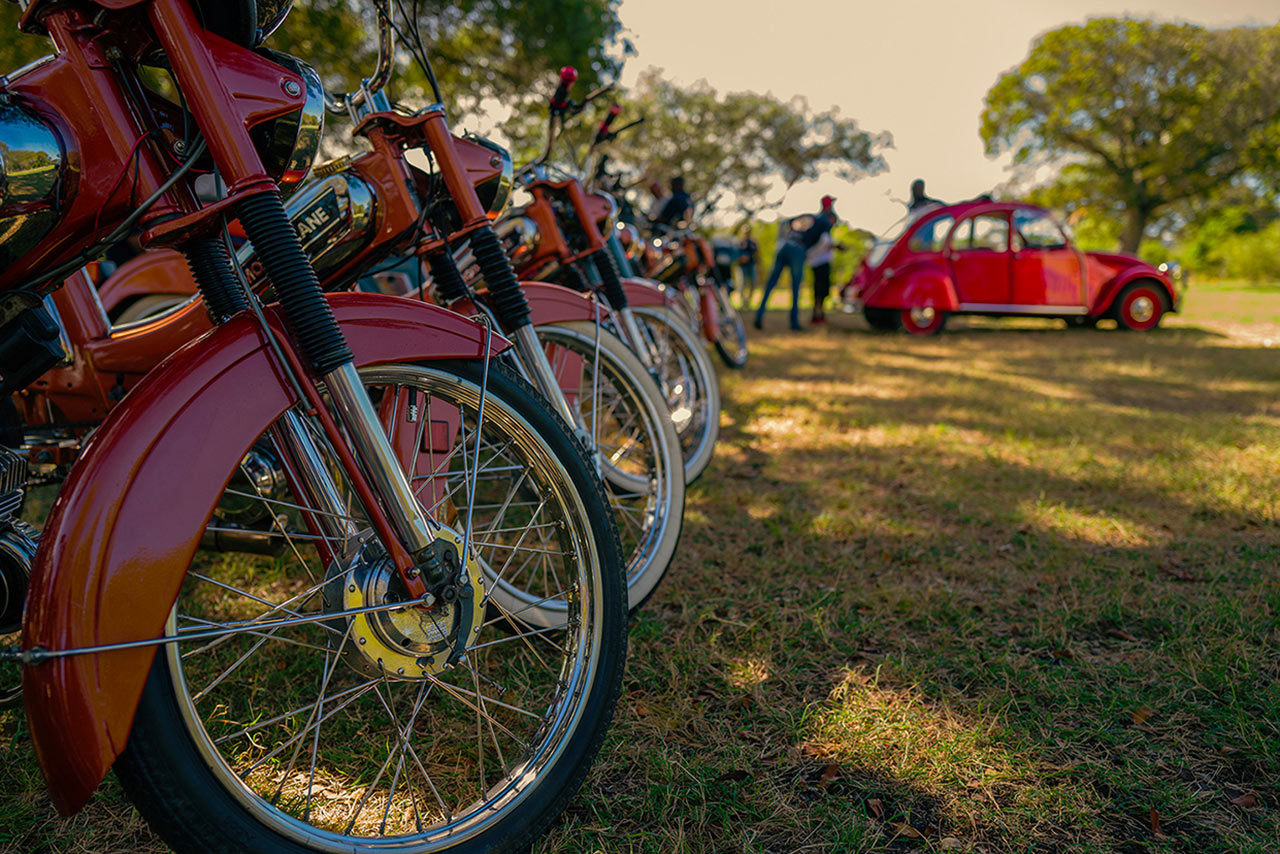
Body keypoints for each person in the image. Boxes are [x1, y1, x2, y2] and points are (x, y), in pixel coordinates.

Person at [754, 196, 837, 331]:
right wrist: (809, 255)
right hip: (798, 250)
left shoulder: (810, 216)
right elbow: (826, 242)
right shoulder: (824, 222)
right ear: (828, 207)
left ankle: (759, 316)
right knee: (795, 287)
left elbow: (784, 223)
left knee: (770, 284)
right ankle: (794, 323)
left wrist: (780, 242)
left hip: (784, 246)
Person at [807, 229, 837, 324]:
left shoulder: (817, 232)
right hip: (821, 264)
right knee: (820, 290)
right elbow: (826, 244)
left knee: (820, 290)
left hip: (816, 263)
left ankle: (819, 314)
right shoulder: (823, 232)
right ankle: (817, 315)